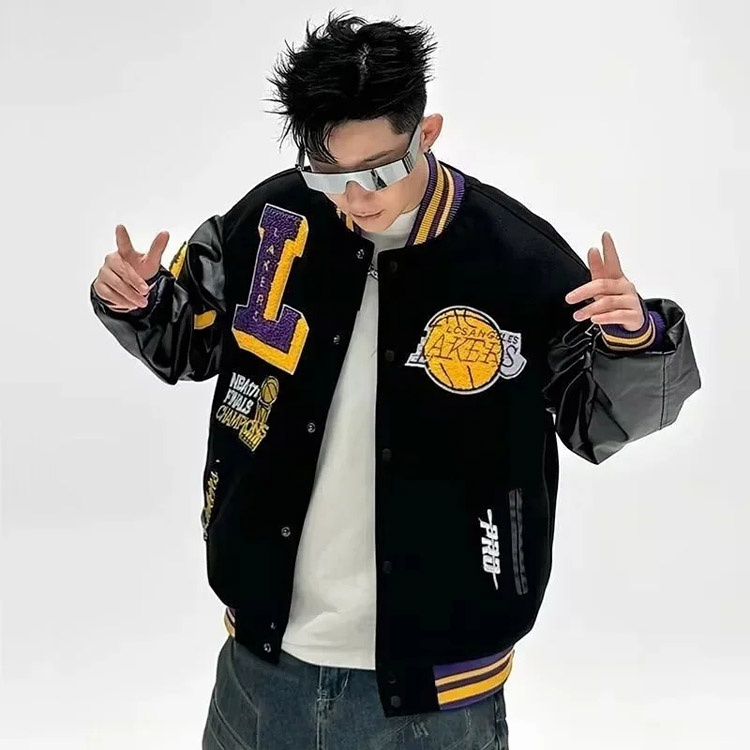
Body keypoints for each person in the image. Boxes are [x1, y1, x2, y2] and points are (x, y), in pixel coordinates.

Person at [90, 12, 701, 750]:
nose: (357, 196)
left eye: (379, 171)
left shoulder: (517, 260)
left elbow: (598, 420)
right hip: (260, 666)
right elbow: (189, 337)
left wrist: (636, 342)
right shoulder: (275, 220)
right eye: (331, 174)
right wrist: (139, 300)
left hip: (437, 697)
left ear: (427, 133)